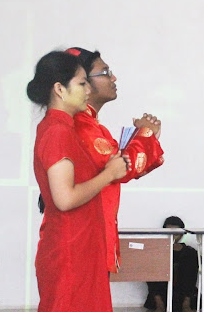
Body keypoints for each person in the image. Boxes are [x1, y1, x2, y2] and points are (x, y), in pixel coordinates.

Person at [25, 51, 129, 312]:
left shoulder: (62, 127)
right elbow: (65, 198)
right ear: (60, 89)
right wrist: (109, 174)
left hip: (79, 250)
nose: (88, 90)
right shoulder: (58, 131)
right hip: (70, 255)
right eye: (82, 83)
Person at [65, 47, 165, 273]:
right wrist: (146, 134)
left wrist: (147, 137)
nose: (114, 78)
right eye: (105, 72)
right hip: (84, 242)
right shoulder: (81, 126)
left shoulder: (93, 126)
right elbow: (122, 168)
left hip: (91, 238)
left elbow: (121, 168)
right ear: (82, 82)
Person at [144, 216, 199, 312]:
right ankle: (160, 305)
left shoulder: (190, 252)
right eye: (169, 232)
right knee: (152, 261)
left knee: (191, 258)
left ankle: (186, 304)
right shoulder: (156, 251)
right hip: (161, 295)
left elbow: (192, 276)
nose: (173, 236)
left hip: (184, 295)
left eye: (176, 232)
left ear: (182, 234)